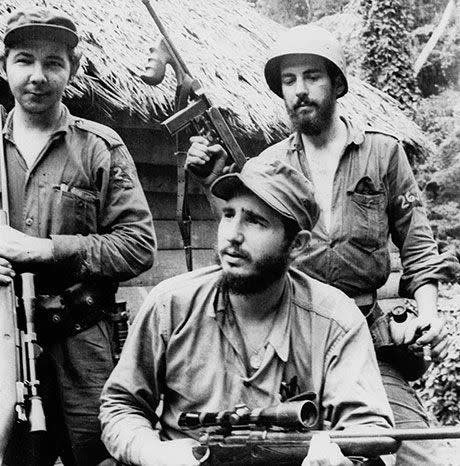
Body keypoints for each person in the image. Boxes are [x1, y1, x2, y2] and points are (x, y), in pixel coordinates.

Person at [185, 24, 459, 465]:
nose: (300, 91)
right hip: (290, 334)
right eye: (289, 81)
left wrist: (428, 311)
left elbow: (418, 243)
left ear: (336, 82)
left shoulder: (382, 154)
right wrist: (212, 182)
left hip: (369, 334)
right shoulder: (266, 166)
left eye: (312, 76)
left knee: (425, 456)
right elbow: (249, 242)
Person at [99, 157, 395, 466]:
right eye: (229, 214)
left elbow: (370, 434)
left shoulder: (336, 319)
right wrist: (153, 452)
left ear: (297, 245)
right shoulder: (170, 304)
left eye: (255, 221)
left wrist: (342, 464)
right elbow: (121, 405)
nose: (232, 235)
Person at [0, 8, 156, 466]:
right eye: (24, 60)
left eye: (53, 63)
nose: (38, 76)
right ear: (3, 65)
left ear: (73, 68)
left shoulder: (99, 147)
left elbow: (139, 244)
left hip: (83, 341)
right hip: (5, 341)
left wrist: (46, 250)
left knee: (98, 457)